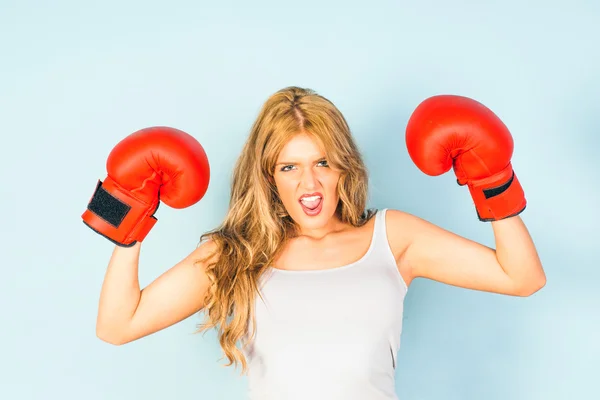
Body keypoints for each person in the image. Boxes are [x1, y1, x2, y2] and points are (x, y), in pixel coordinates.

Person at [83, 86, 546, 400]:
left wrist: (491, 178)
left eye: (322, 162)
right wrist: (126, 214)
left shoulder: (392, 237)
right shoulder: (237, 253)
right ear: (269, 177)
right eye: (290, 167)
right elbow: (117, 325)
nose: (310, 182)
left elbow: (522, 277)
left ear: (344, 166)